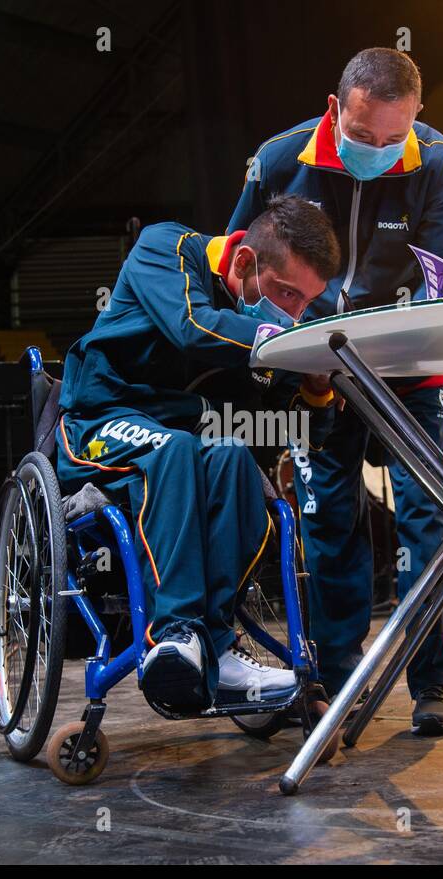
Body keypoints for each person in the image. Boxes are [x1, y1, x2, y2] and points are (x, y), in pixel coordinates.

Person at [229, 48, 443, 734]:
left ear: (416, 119)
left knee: (432, 522)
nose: (379, 150)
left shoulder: (436, 161)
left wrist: (416, 324)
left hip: (414, 370)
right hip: (318, 372)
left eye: (394, 138)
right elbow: (237, 262)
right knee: (329, 518)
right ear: (336, 109)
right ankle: (338, 681)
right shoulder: (279, 160)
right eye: (363, 137)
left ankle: (434, 684)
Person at [58, 195, 340, 712]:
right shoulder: (166, 247)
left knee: (232, 455)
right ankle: (178, 634)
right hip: (106, 417)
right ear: (243, 262)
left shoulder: (263, 338)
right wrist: (286, 341)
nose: (296, 314)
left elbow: (294, 428)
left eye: (306, 303)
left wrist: (318, 387)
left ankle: (216, 641)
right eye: (285, 294)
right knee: (179, 449)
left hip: (190, 437)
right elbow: (190, 325)